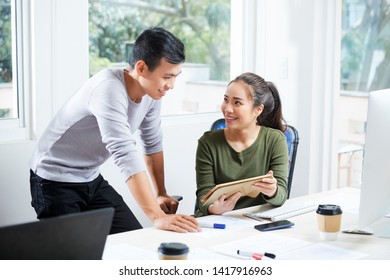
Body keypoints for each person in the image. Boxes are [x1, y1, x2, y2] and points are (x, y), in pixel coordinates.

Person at [29, 27, 200, 234]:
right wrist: (157, 216)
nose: (171, 85)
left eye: (175, 77)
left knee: (133, 241)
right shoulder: (108, 88)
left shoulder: (152, 93)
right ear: (142, 67)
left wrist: (161, 193)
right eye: (167, 77)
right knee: (75, 256)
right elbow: (125, 154)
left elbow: (152, 143)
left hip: (90, 177)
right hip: (53, 180)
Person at [194, 72, 289, 217]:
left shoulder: (275, 140)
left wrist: (273, 191)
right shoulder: (208, 143)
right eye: (226, 100)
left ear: (258, 109)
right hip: (214, 222)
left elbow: (281, 196)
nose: (227, 109)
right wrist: (214, 208)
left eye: (237, 102)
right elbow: (203, 197)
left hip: (253, 222)